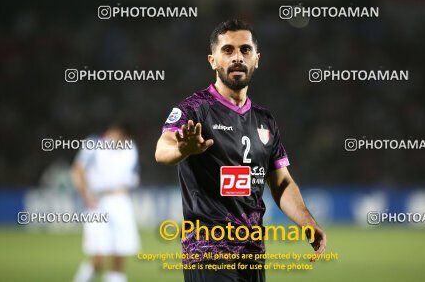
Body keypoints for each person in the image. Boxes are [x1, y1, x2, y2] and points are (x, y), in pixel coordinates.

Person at [155, 19, 326, 282]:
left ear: (257, 59)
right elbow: (162, 149)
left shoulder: (265, 120)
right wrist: (183, 147)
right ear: (212, 60)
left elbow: (281, 182)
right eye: (228, 50)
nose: (237, 57)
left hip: (252, 253)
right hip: (207, 252)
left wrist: (307, 221)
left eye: (245, 50)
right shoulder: (194, 109)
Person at [72, 122, 140, 282]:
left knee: (120, 254)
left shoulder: (130, 148)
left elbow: (134, 176)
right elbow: (77, 169)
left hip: (121, 201)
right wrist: (85, 195)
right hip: (98, 202)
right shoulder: (94, 143)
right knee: (99, 257)